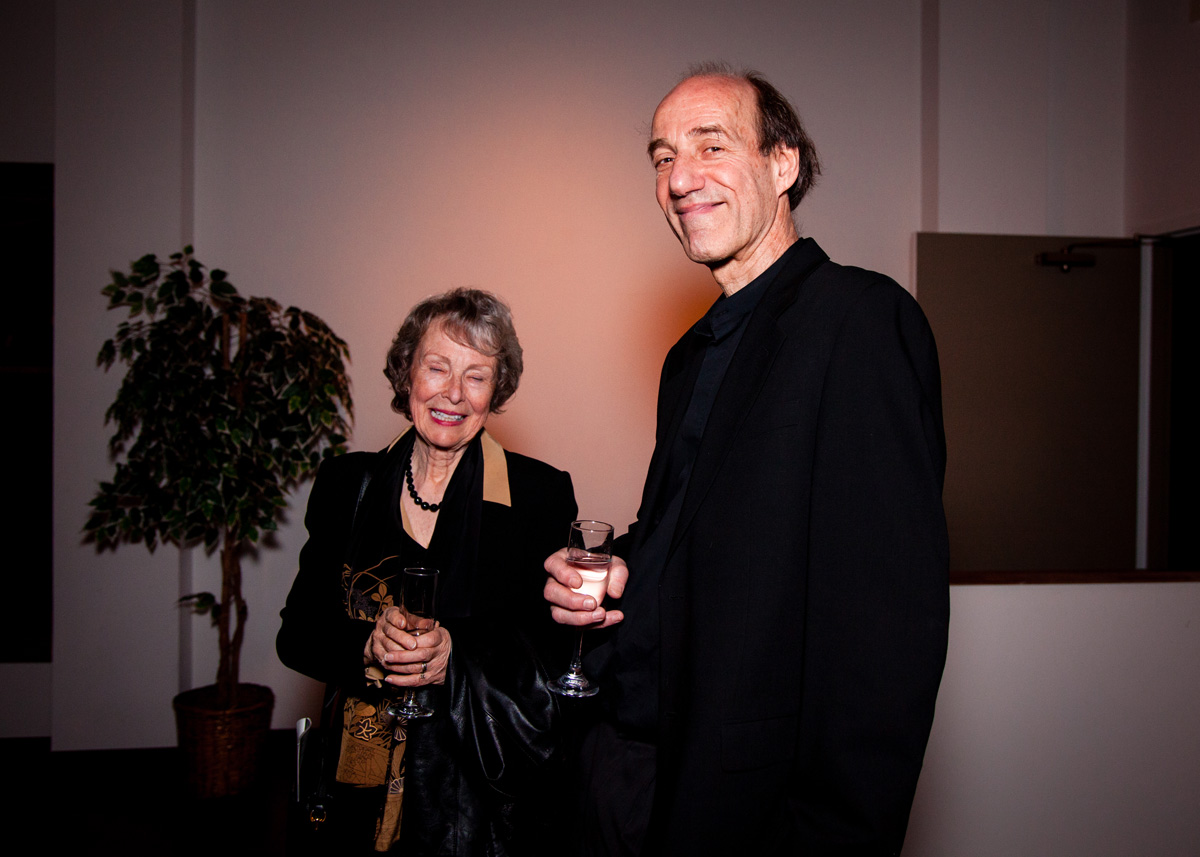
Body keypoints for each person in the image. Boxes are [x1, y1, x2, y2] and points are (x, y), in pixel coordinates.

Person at [544, 64, 949, 855]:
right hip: (633, 770)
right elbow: (696, 529)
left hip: (749, 808)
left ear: (783, 164)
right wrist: (623, 567)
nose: (678, 179)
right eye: (663, 157)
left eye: (711, 146)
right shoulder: (690, 354)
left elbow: (885, 630)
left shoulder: (858, 321)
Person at [279, 288, 578, 855]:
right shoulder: (346, 485)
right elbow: (297, 634)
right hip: (352, 793)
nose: (453, 393)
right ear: (406, 373)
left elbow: (554, 654)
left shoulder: (540, 495)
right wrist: (369, 645)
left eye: (476, 376)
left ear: (497, 389)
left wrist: (454, 656)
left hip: (475, 803)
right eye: (437, 367)